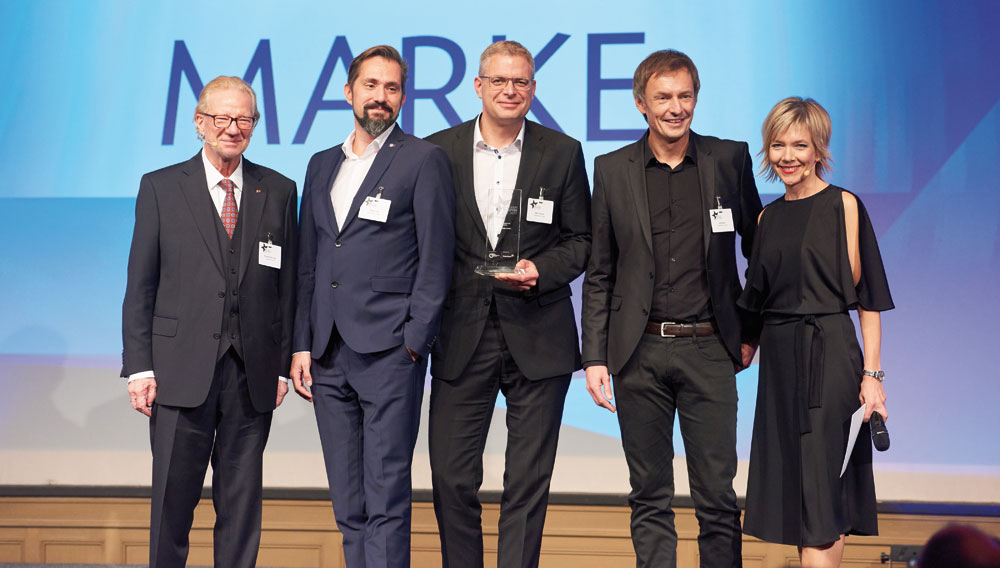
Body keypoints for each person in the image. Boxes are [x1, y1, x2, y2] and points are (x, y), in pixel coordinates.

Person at [581, 50, 762, 567]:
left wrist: (750, 332)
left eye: (685, 96)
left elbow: (760, 252)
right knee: (649, 496)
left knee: (717, 498)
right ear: (642, 103)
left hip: (710, 349)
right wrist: (595, 357)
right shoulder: (611, 170)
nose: (675, 107)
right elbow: (600, 272)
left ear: (696, 99)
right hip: (637, 354)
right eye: (663, 97)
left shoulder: (728, 160)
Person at [425, 40, 592, 568]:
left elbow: (582, 241)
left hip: (539, 334)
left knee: (527, 481)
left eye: (520, 82)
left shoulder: (562, 152)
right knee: (451, 477)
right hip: (459, 333)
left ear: (534, 89)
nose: (510, 91)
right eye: (499, 81)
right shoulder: (437, 151)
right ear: (478, 87)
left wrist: (543, 270)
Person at [289, 45, 455, 568]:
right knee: (348, 501)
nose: (380, 97)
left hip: (389, 352)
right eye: (371, 85)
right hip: (327, 353)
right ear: (349, 92)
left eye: (391, 88)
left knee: (386, 498)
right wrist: (301, 345)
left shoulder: (423, 159)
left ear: (402, 97)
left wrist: (414, 341)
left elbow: (436, 257)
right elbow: (309, 263)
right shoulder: (321, 165)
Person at [121, 76, 298, 568]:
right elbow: (141, 285)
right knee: (171, 509)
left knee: (241, 511)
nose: (233, 128)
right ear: (200, 123)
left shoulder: (279, 191)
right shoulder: (160, 187)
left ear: (255, 125)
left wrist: (281, 367)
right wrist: (139, 368)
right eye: (222, 118)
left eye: (244, 118)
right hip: (177, 373)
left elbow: (287, 291)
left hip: (252, 376)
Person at [738, 97, 894, 567]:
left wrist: (873, 377)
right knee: (802, 496)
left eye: (799, 145)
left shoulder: (844, 206)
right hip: (780, 365)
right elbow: (755, 303)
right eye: (778, 145)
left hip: (831, 359)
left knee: (823, 492)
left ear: (818, 149)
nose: (788, 156)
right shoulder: (767, 218)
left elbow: (870, 301)